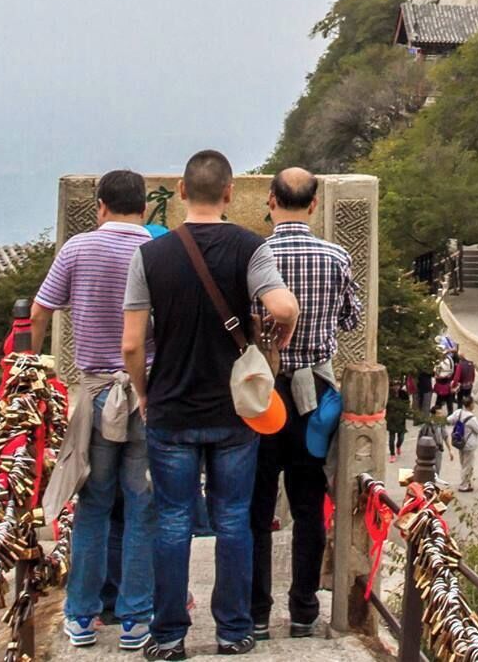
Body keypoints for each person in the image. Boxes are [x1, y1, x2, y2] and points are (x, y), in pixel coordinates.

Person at [123, 150, 299, 660]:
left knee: (173, 520)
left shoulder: (149, 256)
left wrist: (142, 392)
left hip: (171, 407)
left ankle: (170, 635)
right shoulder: (250, 247)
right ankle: (233, 630)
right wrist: (277, 345)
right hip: (233, 411)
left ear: (180, 192)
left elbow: (132, 344)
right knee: (234, 518)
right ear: (229, 194)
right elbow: (283, 306)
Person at [30, 169, 155, 651]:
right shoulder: (157, 251)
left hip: (96, 393)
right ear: (145, 207)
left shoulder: (77, 249)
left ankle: (81, 615)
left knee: (93, 504)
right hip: (148, 393)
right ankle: (136, 618)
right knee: (143, 507)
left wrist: (30, 372)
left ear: (100, 205)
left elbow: (40, 310)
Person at [248, 167, 362, 641]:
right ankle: (303, 610)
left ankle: (254, 610)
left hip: (262, 394)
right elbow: (351, 320)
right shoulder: (335, 256)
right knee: (309, 504)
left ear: (271, 199)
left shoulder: (255, 257)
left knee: (256, 506)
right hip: (315, 394)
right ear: (314, 204)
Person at [450, 396, 478, 492]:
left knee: (463, 463)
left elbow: (450, 419)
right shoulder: (472, 418)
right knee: (468, 465)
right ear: (471, 405)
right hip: (469, 444)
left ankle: (467, 481)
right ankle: (464, 484)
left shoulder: (458, 413)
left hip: (459, 442)